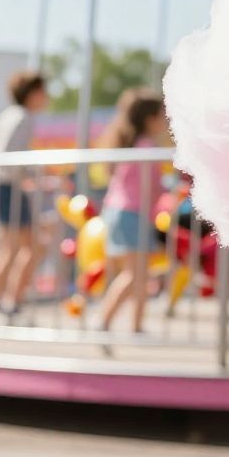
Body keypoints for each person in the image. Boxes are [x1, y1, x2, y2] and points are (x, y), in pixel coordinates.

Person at [93, 91, 169, 335]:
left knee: (139, 274)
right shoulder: (146, 146)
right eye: (162, 116)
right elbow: (153, 185)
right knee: (134, 274)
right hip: (132, 213)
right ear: (149, 118)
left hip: (120, 212)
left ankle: (136, 325)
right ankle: (104, 321)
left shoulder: (130, 143)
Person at [0, 71, 49, 324]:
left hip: (6, 186)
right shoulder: (21, 117)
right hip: (8, 187)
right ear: (33, 93)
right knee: (13, 249)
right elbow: (8, 157)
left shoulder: (10, 116)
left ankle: (6, 302)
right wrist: (31, 171)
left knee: (27, 247)